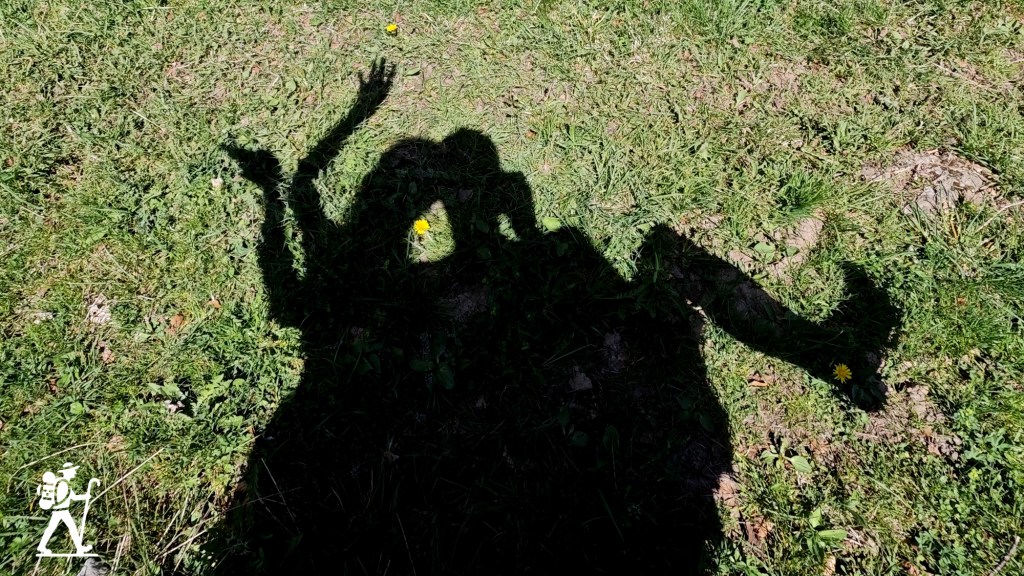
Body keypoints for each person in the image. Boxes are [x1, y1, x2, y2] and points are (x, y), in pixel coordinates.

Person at [214, 59, 898, 574]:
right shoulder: (400, 302)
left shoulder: (370, 311)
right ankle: (832, 355)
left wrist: (296, 177)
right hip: (568, 379)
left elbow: (300, 229)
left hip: (540, 396)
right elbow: (303, 216)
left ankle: (832, 356)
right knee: (665, 257)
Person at [37, 462, 93, 556]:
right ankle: (79, 549)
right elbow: (73, 497)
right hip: (62, 510)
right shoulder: (65, 483)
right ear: (68, 472)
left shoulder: (58, 481)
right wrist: (86, 496)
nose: (75, 473)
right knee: (71, 527)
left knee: (52, 528)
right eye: (73, 471)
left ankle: (42, 546)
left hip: (57, 510)